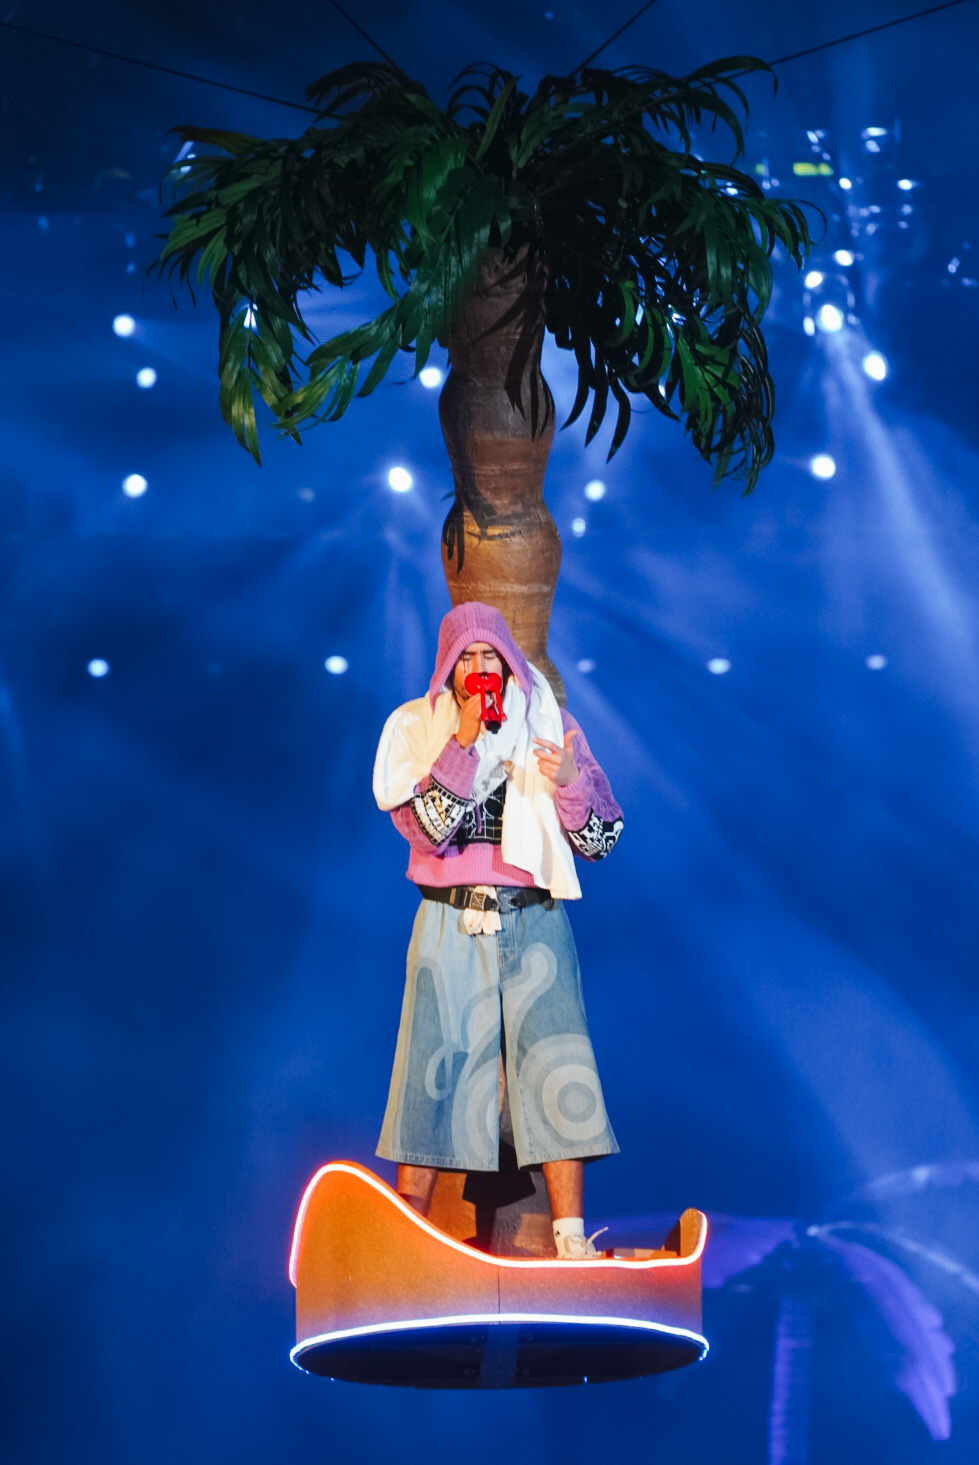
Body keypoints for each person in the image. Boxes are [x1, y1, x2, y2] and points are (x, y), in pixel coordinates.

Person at [373, 601, 623, 1258]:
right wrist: (460, 743)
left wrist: (569, 782)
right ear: (446, 668)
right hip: (448, 916)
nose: (480, 669)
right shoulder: (413, 729)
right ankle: (408, 1242)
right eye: (467, 658)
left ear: (510, 664)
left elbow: (600, 840)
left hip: (535, 914)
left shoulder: (549, 724)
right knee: (432, 1067)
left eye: (492, 657)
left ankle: (570, 1238)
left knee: (555, 1062)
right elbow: (425, 827)